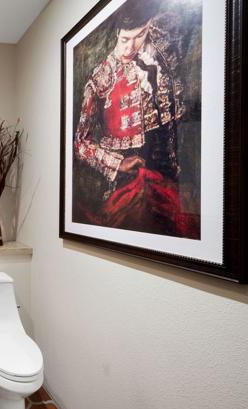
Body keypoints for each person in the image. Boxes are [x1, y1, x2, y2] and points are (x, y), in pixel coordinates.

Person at [73, 0, 198, 238]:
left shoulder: (162, 46)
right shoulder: (102, 78)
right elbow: (80, 143)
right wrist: (118, 163)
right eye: (125, 39)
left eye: (140, 35)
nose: (130, 47)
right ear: (116, 34)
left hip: (174, 172)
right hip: (129, 177)